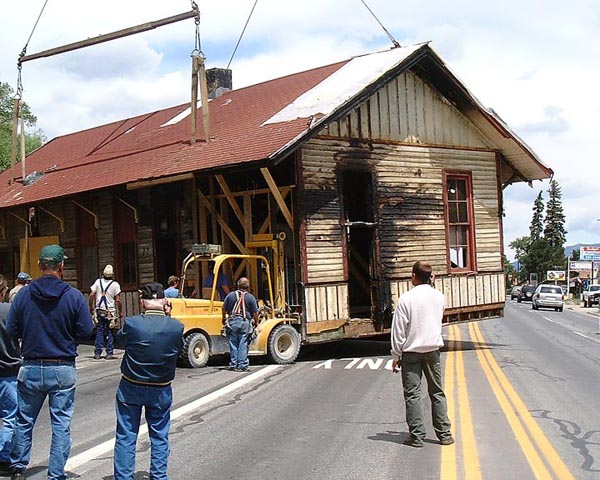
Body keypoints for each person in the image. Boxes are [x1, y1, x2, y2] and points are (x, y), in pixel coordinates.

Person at [6, 244, 94, 480]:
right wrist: (68, 335)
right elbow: (87, 330)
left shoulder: (24, 295)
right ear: (62, 266)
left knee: (24, 421)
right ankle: (55, 474)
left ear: (39, 265)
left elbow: (11, 329)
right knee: (61, 424)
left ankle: (18, 468)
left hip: (31, 365)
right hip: (62, 365)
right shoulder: (73, 296)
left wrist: (28, 334)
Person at [113, 282, 183, 480]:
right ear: (164, 301)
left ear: (142, 302)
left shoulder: (132, 324)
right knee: (159, 436)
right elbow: (178, 349)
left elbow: (120, 341)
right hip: (161, 387)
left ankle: (124, 477)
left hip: (131, 385)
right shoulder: (176, 327)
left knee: (126, 435)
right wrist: (168, 316)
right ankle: (159, 476)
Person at [391, 260, 454, 448]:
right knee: (437, 392)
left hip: (411, 352)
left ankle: (417, 436)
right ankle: (444, 434)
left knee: (413, 394)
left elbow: (399, 331)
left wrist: (396, 355)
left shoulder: (406, 299)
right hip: (432, 350)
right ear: (430, 277)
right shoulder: (439, 297)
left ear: (413, 276)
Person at [0, 275, 21, 474]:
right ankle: (4, 457)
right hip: (7, 370)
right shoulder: (9, 311)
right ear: (4, 292)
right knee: (9, 416)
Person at [222, 277, 259, 372]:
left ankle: (234, 364)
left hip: (233, 321)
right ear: (248, 286)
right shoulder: (250, 297)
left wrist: (223, 318)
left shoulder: (230, 295)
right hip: (245, 321)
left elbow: (224, 308)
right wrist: (256, 322)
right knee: (243, 343)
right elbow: (255, 312)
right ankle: (242, 365)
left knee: (233, 343)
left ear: (238, 285)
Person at [89, 264, 123, 360]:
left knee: (99, 331)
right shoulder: (115, 285)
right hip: (110, 312)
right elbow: (118, 300)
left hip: (99, 310)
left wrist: (91, 306)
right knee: (110, 331)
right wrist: (120, 311)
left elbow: (92, 294)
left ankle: (98, 352)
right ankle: (109, 352)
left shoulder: (98, 282)